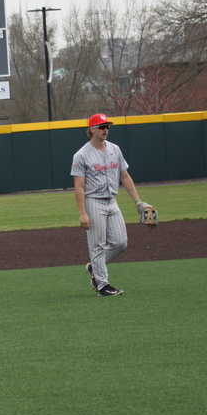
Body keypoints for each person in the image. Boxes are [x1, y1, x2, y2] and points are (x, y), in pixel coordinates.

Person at [71, 113, 154, 296]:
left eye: (107, 126)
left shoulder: (115, 149)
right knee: (98, 245)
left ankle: (95, 267)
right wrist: (82, 213)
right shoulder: (81, 155)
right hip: (94, 201)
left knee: (120, 243)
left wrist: (138, 202)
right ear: (92, 129)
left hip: (112, 201)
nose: (106, 129)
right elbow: (79, 186)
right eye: (102, 126)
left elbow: (125, 176)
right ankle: (102, 285)